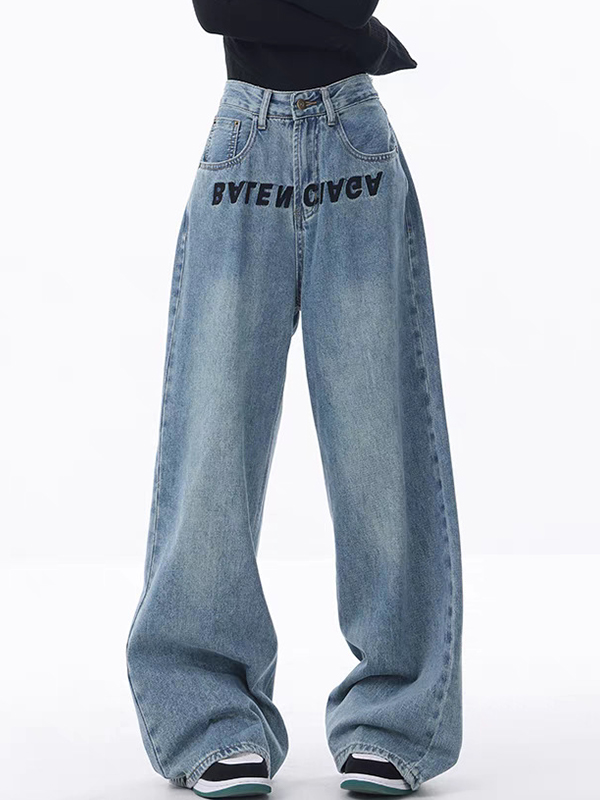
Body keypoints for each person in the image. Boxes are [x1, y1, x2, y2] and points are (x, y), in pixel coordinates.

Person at [125, 2, 463, 797]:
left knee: (382, 442)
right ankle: (207, 718)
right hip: (243, 139)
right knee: (211, 442)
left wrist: (344, 22)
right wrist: (365, 41)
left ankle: (395, 720)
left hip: (357, 140)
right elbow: (218, 7)